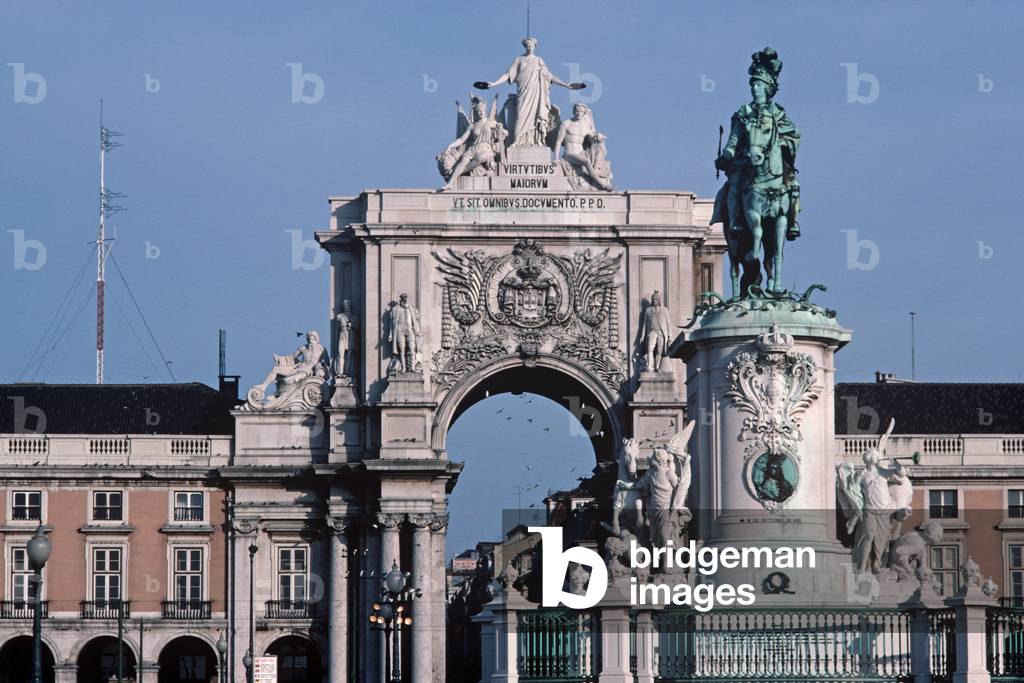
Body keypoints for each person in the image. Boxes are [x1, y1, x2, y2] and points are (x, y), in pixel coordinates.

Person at [477, 37, 583, 147]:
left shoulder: (538, 60)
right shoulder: (519, 59)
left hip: (537, 94)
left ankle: (536, 141)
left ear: (535, 46)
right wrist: (494, 83)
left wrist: (565, 85)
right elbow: (508, 75)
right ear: (524, 46)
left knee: (536, 117)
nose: (529, 47)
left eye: (531, 45)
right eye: (527, 45)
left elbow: (549, 76)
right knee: (520, 116)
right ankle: (517, 141)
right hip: (524, 93)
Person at [387, 293, 421, 373]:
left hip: (409, 330)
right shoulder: (395, 309)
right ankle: (403, 368)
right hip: (399, 331)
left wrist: (418, 331)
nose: (405, 299)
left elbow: (416, 322)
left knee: (412, 349)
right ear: (401, 299)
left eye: (406, 297)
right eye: (404, 297)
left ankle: (412, 367)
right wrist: (391, 334)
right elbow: (391, 324)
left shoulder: (411, 309)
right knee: (402, 350)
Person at [639, 291, 672, 372]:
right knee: (650, 349)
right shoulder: (648, 310)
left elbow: (668, 323)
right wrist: (642, 335)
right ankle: (650, 367)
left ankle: (657, 367)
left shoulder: (664, 310)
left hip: (661, 333)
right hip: (652, 332)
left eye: (656, 299)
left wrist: (670, 335)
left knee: (659, 351)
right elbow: (644, 324)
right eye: (653, 299)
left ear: (659, 300)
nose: (655, 301)